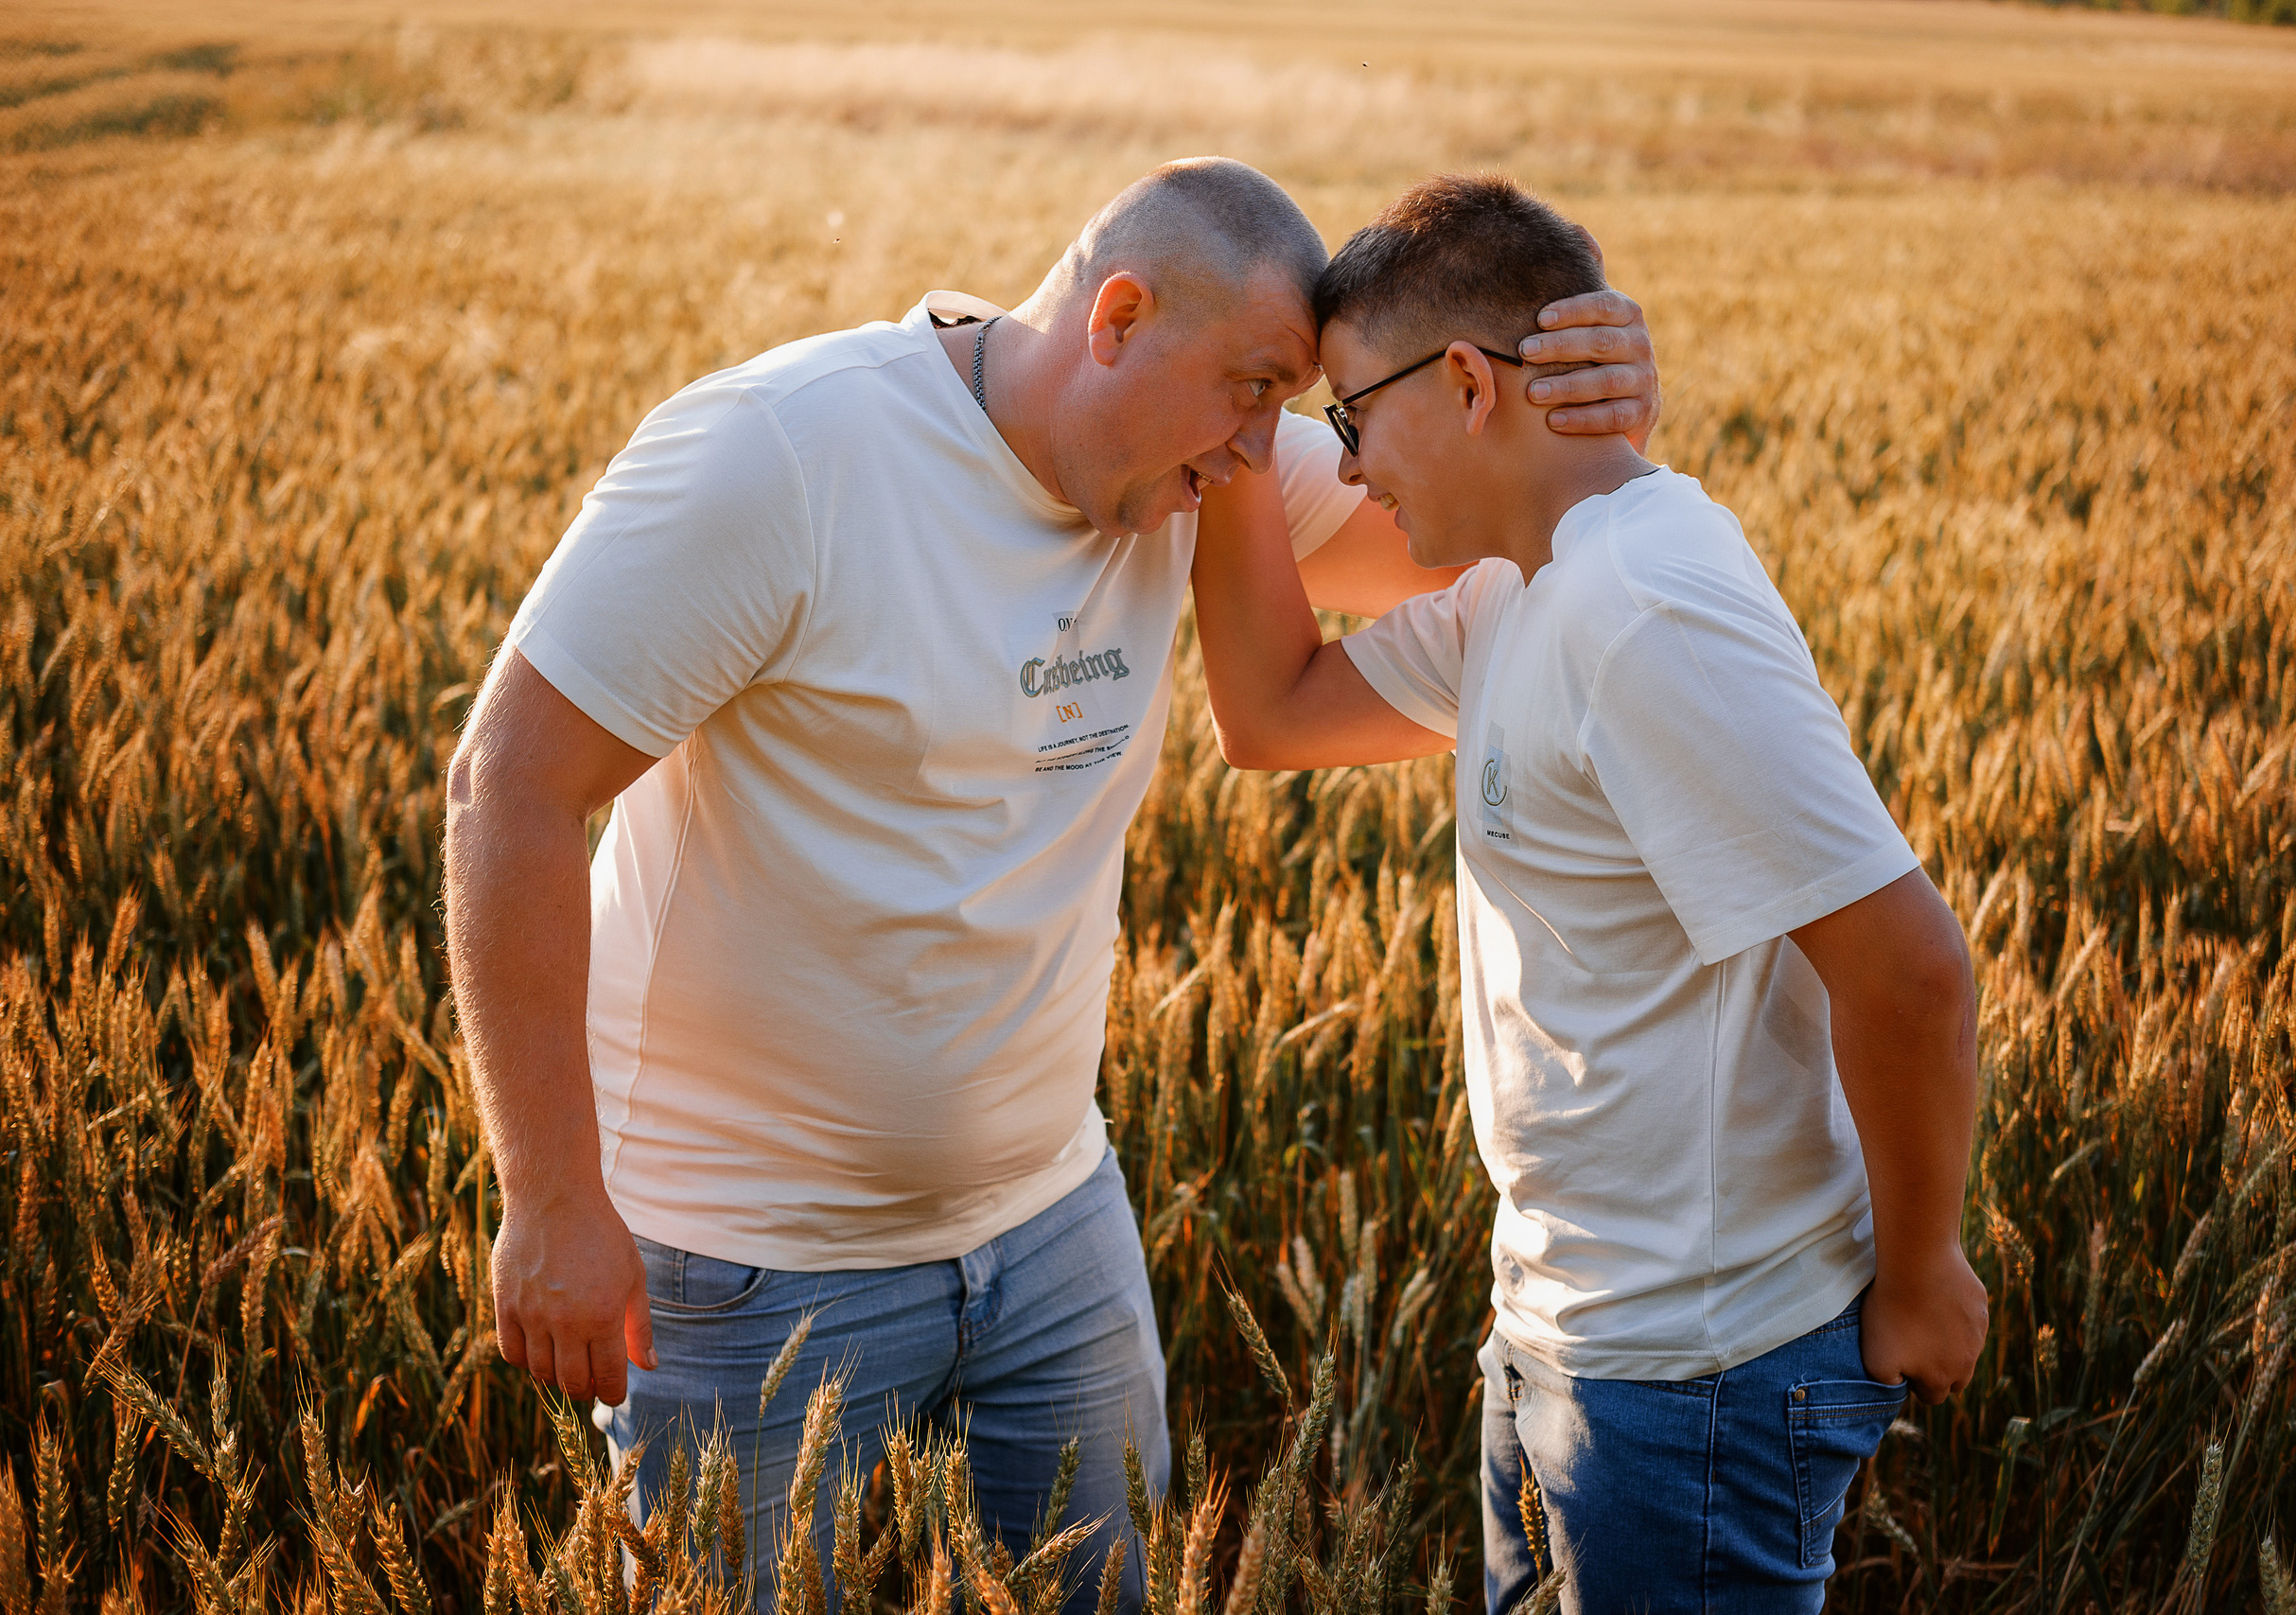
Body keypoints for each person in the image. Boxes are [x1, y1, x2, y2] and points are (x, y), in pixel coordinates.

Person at [441, 156, 1661, 1608]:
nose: (1265, 452)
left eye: (1288, 408)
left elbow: (1499, 523)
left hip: (1048, 1221)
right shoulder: (783, 459)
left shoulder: (1218, 465)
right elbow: (510, 785)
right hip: (740, 1260)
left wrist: (1582, 402)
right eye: (1251, 390)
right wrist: (553, 1196)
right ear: (1118, 315)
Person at [1188, 173, 1988, 1613]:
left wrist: (1924, 1271)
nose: (1350, 472)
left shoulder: (1642, 609)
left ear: (1475, 389)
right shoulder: (1519, 587)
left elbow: (1911, 971)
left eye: (1351, 421)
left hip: (1700, 1368)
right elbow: (1276, 718)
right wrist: (1237, 427)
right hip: (1567, 1329)